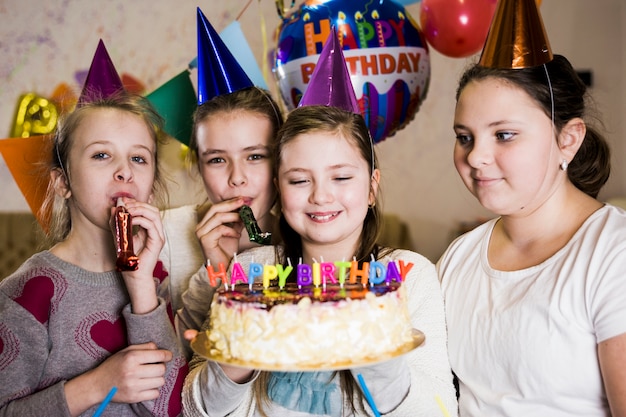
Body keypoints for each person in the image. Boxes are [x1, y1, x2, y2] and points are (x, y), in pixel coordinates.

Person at [182, 104, 458, 416]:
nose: (321, 196)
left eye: (341, 177)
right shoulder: (249, 272)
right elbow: (195, 409)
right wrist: (237, 356)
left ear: (371, 187)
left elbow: (440, 410)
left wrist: (377, 342)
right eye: (299, 181)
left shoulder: (409, 276)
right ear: (279, 188)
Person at [438, 53, 626, 416]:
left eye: (504, 135)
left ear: (568, 140)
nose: (476, 156)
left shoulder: (612, 254)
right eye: (465, 137)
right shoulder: (457, 259)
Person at [0, 92, 187, 416]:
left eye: (139, 158)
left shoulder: (154, 279)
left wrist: (141, 284)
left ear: (152, 189)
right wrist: (99, 385)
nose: (124, 171)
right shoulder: (27, 293)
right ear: (62, 182)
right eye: (101, 155)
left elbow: (171, 409)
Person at [159, 9, 284, 360]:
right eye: (217, 159)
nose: (237, 177)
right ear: (197, 166)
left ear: (281, 159)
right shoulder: (161, 239)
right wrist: (216, 272)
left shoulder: (306, 235)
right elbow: (162, 371)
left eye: (255, 156)